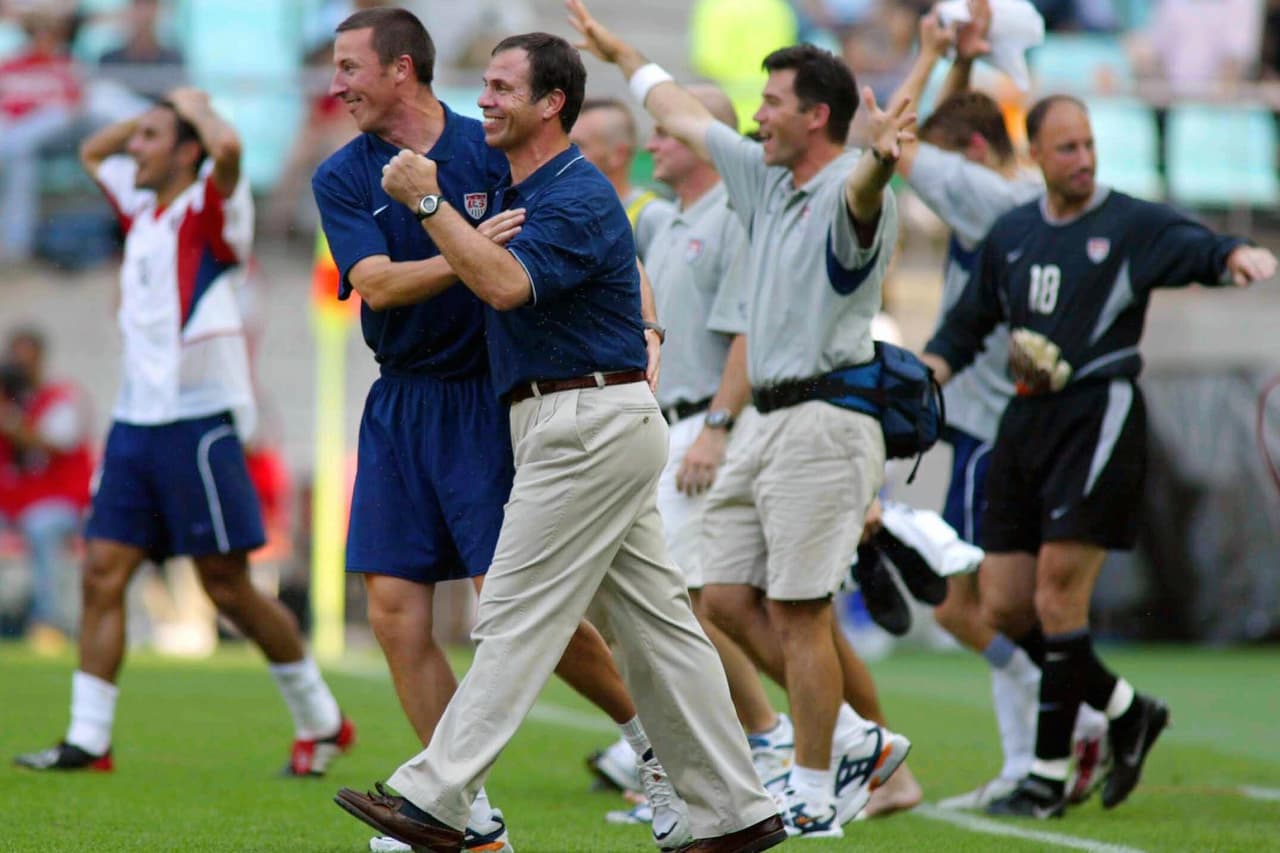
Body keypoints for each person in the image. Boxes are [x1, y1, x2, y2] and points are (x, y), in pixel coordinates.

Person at [334, 30, 785, 853]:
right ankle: (735, 811)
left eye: (504, 87)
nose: (487, 99)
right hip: (578, 417)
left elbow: (504, 285)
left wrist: (430, 205)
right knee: (660, 630)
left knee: (509, 612)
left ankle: (438, 799)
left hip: (582, 420)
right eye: (489, 85)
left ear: (552, 103)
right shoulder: (537, 184)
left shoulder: (573, 192)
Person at [568, 0, 914, 836]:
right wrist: (622, 54)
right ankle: (855, 743)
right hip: (769, 421)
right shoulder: (765, 177)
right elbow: (682, 111)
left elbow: (865, 192)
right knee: (719, 597)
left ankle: (813, 782)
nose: (759, 116)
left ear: (817, 117)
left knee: (798, 610)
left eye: (773, 104)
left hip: (825, 415)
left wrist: (878, 160)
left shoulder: (846, 187)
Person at [922, 93, 1278, 818]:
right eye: (1067, 148)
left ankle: (1048, 774)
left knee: (1057, 597)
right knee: (1002, 602)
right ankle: (1125, 708)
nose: (1083, 160)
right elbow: (968, 325)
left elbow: (1198, 245)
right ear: (1036, 157)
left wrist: (1236, 254)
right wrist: (920, 378)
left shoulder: (1128, 221)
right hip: (1024, 421)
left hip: (1098, 413)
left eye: (1088, 144)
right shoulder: (1014, 232)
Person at [13, 88, 353, 777]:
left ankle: (321, 718)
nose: (132, 146)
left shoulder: (211, 209)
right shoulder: (141, 204)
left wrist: (194, 109)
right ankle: (89, 738)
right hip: (136, 426)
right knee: (103, 572)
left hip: (200, 424)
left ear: (186, 151)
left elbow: (227, 150)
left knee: (228, 588)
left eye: (149, 139)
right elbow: (90, 149)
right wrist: (153, 116)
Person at [888, 3, 1107, 811]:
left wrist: (937, 53)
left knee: (973, 606)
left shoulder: (986, 196)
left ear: (972, 156)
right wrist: (964, 64)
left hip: (991, 429)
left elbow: (905, 146)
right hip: (989, 424)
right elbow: (952, 129)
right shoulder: (1002, 191)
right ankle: (1054, 737)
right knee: (986, 604)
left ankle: (1066, 730)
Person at [0, 326, 93, 650]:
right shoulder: (11, 400)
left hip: (59, 502)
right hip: (13, 502)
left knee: (41, 527)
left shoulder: (61, 397)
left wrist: (11, 421)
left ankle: (47, 623)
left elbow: (55, 442)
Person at [0, 4, 82, 263]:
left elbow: (72, 109)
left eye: (49, 32)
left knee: (50, 117)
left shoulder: (65, 65)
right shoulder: (11, 64)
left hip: (52, 132)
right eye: (38, 32)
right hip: (15, 133)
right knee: (21, 160)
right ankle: (14, 249)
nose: (44, 38)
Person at [569, 97, 663, 232]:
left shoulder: (653, 218)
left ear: (619, 155)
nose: (565, 154)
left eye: (578, 145)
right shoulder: (569, 213)